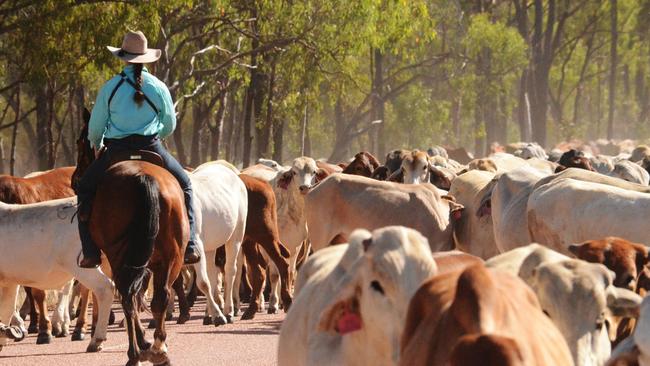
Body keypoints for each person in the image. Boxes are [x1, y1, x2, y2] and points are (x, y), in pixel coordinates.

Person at [77, 30, 200, 268]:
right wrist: (156, 137)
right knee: (185, 184)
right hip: (152, 147)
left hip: (116, 150)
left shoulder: (110, 87)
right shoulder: (158, 86)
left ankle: (90, 251)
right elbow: (169, 124)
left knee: (85, 188)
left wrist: (99, 143)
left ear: (123, 58)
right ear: (146, 59)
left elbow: (94, 129)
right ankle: (192, 244)